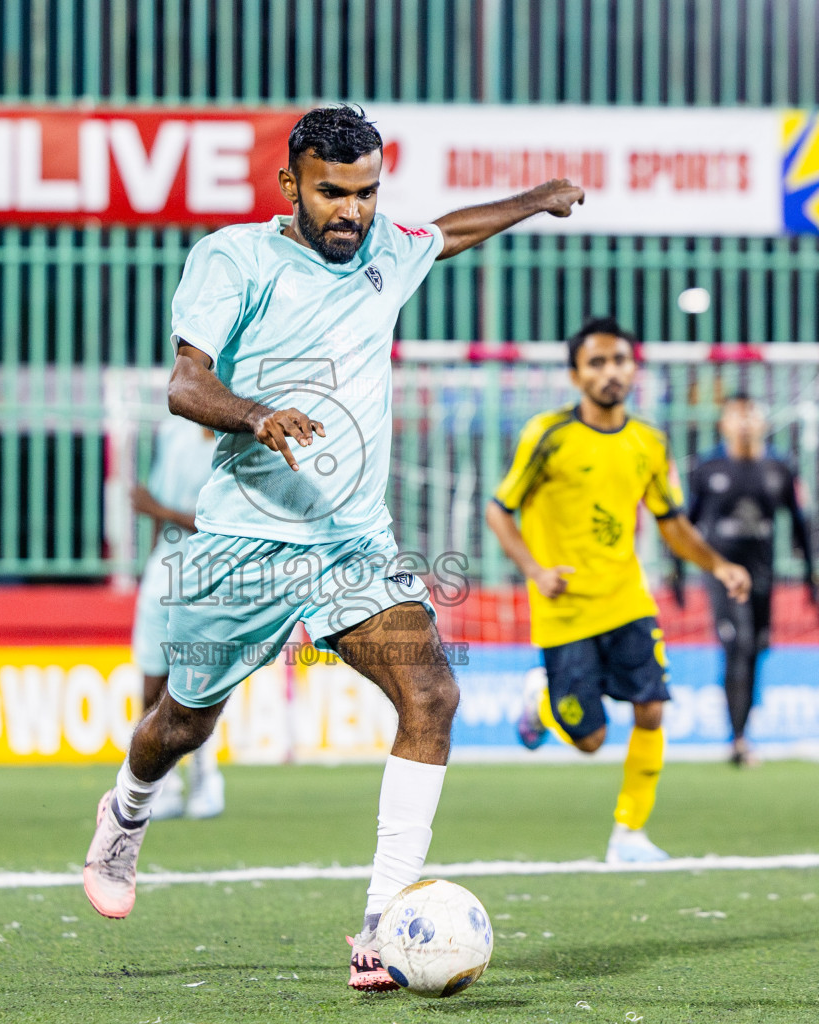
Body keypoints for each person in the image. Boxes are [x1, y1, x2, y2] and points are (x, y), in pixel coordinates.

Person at [81, 104, 585, 991]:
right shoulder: (233, 258)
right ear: (292, 186)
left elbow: (450, 232)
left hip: (352, 545)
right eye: (333, 194)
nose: (352, 211)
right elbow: (185, 384)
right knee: (182, 725)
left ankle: (383, 923)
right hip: (243, 542)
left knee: (431, 692)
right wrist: (256, 414)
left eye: (366, 192)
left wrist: (539, 197)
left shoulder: (388, 247)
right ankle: (126, 811)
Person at [485, 318, 750, 865]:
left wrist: (719, 566)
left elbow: (671, 522)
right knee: (591, 742)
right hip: (564, 608)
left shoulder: (649, 442)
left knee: (652, 707)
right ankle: (541, 699)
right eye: (597, 363)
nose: (611, 372)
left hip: (627, 598)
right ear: (576, 374)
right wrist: (535, 570)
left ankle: (629, 833)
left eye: (620, 361)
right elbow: (499, 510)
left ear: (634, 368)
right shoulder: (547, 435)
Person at [680, 393, 819, 767]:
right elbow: (684, 526)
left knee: (756, 648)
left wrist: (813, 581)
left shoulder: (779, 468)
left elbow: (798, 524)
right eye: (735, 415)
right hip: (722, 573)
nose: (744, 422)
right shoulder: (707, 469)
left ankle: (742, 731)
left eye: (750, 415)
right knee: (737, 645)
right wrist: (677, 573)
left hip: (762, 574)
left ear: (761, 422)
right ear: (723, 423)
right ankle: (738, 740)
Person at [129, 414, 222, 818]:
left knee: (198, 683)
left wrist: (158, 509)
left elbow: (218, 523)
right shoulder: (172, 433)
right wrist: (152, 559)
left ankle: (205, 775)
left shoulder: (231, 440)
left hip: (209, 576)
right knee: (152, 683)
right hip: (163, 572)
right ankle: (158, 783)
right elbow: (157, 504)